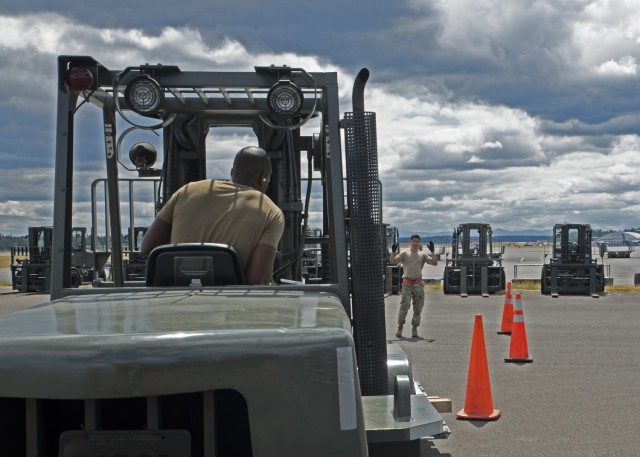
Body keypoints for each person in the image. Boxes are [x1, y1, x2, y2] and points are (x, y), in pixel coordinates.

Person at [141, 146, 285, 285]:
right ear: (264, 177)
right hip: (234, 304)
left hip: (177, 297)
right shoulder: (271, 212)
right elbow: (256, 279)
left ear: (232, 171)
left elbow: (147, 247)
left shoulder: (186, 191)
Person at [388, 234, 438, 337]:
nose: (415, 243)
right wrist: (393, 252)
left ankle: (414, 328)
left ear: (419, 242)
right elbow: (393, 261)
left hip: (418, 284)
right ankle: (400, 326)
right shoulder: (405, 254)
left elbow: (434, 263)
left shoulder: (422, 254)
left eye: (417, 241)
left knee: (418, 307)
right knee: (405, 305)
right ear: (410, 242)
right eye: (414, 241)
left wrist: (433, 252)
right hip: (407, 283)